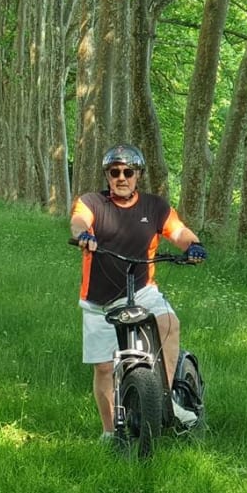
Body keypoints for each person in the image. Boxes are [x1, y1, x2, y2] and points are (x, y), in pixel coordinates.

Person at [69, 145, 207, 441]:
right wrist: (84, 234)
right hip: (99, 301)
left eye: (128, 172)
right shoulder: (91, 202)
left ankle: (166, 398)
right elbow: (79, 220)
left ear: (138, 176)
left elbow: (179, 231)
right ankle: (109, 433)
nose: (122, 178)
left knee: (169, 323)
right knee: (105, 368)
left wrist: (193, 245)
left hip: (143, 289)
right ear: (107, 176)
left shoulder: (155, 207)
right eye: (115, 172)